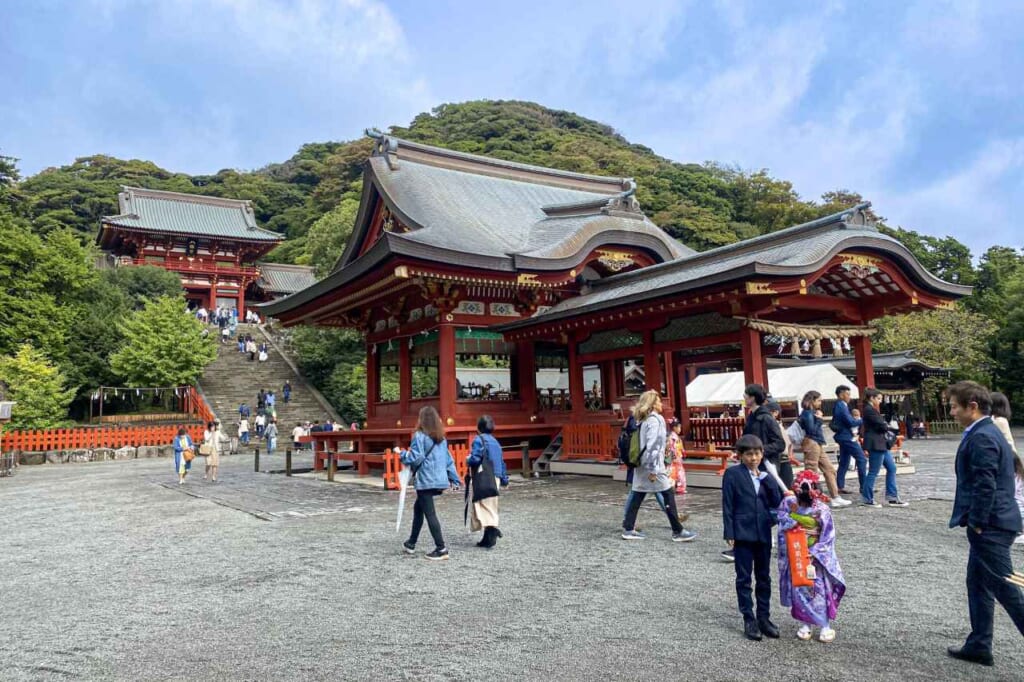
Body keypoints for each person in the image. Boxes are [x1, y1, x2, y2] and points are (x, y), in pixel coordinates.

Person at [946, 381, 1024, 667]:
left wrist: (977, 521)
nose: (952, 412)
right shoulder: (986, 432)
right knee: (978, 584)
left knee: (1007, 587)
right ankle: (979, 644)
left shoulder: (982, 436)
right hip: (995, 523)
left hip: (991, 525)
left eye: (955, 406)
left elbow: (985, 483)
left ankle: (979, 643)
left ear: (972, 406)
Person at [722, 434, 785, 641]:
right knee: (744, 577)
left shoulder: (766, 475)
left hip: (763, 530)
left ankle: (764, 617)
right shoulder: (732, 474)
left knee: (764, 576)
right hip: (742, 530)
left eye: (757, 454)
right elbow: (728, 504)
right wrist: (729, 532)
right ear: (740, 455)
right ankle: (748, 618)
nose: (754, 458)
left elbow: (776, 502)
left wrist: (768, 481)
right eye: (749, 454)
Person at [777, 470, 846, 642]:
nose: (806, 491)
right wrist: (793, 519)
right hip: (797, 551)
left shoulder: (821, 508)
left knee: (818, 590)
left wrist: (816, 552)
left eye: (809, 488)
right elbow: (781, 518)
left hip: (815, 556)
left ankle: (824, 625)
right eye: (803, 488)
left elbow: (828, 534)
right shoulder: (789, 502)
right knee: (799, 588)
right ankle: (805, 624)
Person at [621, 390, 697, 542]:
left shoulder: (642, 419)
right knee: (667, 493)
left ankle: (628, 527)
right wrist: (654, 468)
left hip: (641, 462)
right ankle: (677, 530)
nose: (661, 404)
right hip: (652, 463)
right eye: (658, 401)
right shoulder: (656, 420)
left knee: (638, 493)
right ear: (653, 403)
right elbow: (654, 445)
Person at [400, 406, 461, 561]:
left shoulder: (419, 436)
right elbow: (449, 461)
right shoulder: (441, 438)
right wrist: (455, 479)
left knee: (430, 514)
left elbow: (416, 457)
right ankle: (411, 543)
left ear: (421, 419)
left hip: (426, 480)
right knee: (418, 509)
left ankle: (441, 548)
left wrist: (402, 454)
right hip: (439, 480)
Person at [466, 415, 509, 549]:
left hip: (483, 477)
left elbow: (476, 458)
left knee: (481, 504)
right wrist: (504, 479)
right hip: (495, 477)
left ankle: (492, 531)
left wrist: (468, 460)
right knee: (490, 505)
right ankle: (487, 537)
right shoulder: (496, 442)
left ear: (478, 428)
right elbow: (501, 462)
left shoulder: (479, 440)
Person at [798, 391, 848, 507]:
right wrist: (819, 420)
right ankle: (811, 498)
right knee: (811, 471)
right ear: (812, 401)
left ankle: (835, 496)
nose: (821, 402)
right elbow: (811, 431)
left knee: (829, 469)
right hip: (812, 442)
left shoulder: (811, 413)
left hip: (817, 443)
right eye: (819, 400)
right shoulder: (807, 413)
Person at [861, 388, 908, 507]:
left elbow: (882, 424)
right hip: (875, 443)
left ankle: (892, 496)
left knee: (892, 468)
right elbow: (881, 425)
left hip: (881, 443)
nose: (880, 401)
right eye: (878, 398)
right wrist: (885, 425)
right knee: (873, 472)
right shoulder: (868, 410)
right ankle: (867, 498)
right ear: (871, 398)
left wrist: (884, 425)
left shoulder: (872, 410)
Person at [742, 385, 787, 488]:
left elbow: (780, 444)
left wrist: (759, 451)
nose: (744, 397)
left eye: (746, 395)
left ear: (752, 398)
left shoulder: (767, 418)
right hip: (751, 464)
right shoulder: (751, 417)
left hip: (765, 464)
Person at [833, 385, 866, 495]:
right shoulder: (841, 406)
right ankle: (864, 486)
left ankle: (840, 486)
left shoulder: (841, 405)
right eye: (847, 394)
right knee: (861, 458)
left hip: (843, 436)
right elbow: (850, 422)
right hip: (847, 437)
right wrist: (861, 420)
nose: (849, 397)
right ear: (841, 394)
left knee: (844, 462)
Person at [766, 401, 794, 489]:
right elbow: (788, 442)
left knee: (784, 484)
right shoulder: (775, 424)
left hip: (780, 458)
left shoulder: (775, 424)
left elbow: (788, 443)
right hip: (779, 457)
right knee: (785, 485)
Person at [667, 418, 687, 494]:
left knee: (677, 473)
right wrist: (674, 456)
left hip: (677, 457)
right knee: (675, 473)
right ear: (674, 427)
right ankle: (678, 487)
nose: (680, 429)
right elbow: (672, 448)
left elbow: (679, 446)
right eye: (679, 427)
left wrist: (683, 451)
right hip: (674, 458)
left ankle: (678, 487)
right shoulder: (672, 437)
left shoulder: (675, 436)